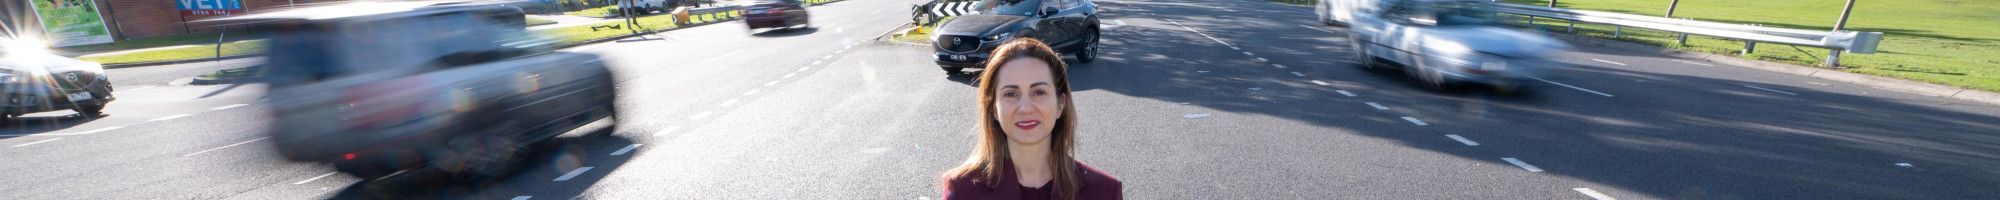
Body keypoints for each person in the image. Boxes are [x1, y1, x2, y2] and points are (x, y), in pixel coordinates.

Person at [940, 38, 1121, 200]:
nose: (1026, 108)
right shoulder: (962, 191)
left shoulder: (1105, 191)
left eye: (1039, 92)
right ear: (994, 109)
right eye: (1011, 93)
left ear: (1060, 104)